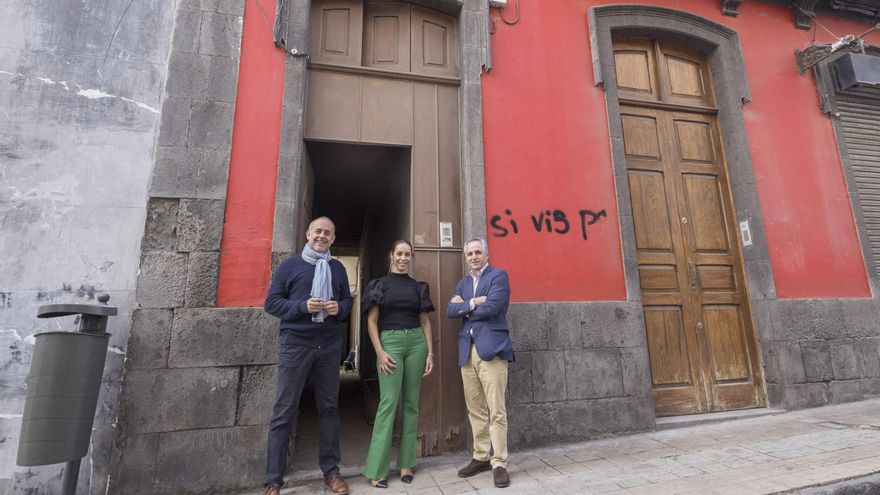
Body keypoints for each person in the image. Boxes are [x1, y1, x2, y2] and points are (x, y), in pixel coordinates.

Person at [261, 217, 352, 495]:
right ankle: (273, 480)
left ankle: (331, 472)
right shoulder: (290, 266)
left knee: (329, 408)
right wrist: (303, 306)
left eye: (328, 233)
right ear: (308, 234)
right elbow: (271, 303)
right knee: (284, 409)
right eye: (318, 232)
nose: (322, 236)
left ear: (333, 239)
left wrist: (340, 307)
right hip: (296, 344)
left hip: (329, 345)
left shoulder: (337, 268)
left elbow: (348, 301)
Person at [361, 240, 435, 488]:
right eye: (399, 254)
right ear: (391, 256)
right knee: (388, 404)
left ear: (411, 257)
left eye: (407, 254)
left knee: (411, 404)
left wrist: (430, 353)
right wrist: (380, 352)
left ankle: (406, 464)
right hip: (390, 342)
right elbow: (372, 322)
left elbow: (424, 321)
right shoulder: (379, 285)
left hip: (416, 343)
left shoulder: (418, 287)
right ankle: (376, 469)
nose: (403, 258)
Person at [446, 238, 515, 488]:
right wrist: (475, 302)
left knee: (496, 410)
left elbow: (494, 307)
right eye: (470, 254)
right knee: (475, 409)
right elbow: (449, 311)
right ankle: (481, 456)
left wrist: (463, 306)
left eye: (478, 252)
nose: (474, 257)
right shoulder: (464, 283)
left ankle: (499, 463)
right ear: (465, 257)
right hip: (467, 351)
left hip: (492, 350)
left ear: (486, 254)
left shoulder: (499, 276)